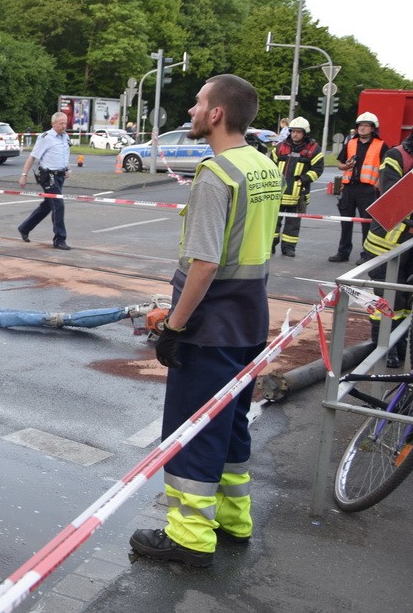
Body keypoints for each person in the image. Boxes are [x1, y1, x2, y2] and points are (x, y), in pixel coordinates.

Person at [129, 74, 282, 568]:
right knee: (233, 424)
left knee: (191, 428)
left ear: (216, 114)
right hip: (250, 320)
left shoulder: (217, 175)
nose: (192, 110)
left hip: (210, 327)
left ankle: (191, 537)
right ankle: (234, 519)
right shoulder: (264, 166)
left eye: (198, 103)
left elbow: (206, 264)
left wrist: (174, 326)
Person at [363, 130, 413, 368]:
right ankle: (383, 346)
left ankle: (400, 343)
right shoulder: (396, 156)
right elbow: (394, 197)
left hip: (409, 246)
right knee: (386, 298)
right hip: (386, 243)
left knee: (404, 298)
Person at [329, 112, 386, 263]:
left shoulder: (381, 145)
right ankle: (343, 252)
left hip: (368, 189)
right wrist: (346, 165)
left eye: (366, 125)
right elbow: (340, 165)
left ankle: (366, 254)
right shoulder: (350, 143)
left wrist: (377, 187)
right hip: (349, 188)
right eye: (360, 125)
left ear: (373, 128)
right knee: (346, 222)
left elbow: (384, 169)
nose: (362, 128)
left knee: (367, 223)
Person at [17, 111, 71, 250]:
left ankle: (24, 228)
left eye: (65, 123)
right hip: (48, 177)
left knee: (48, 205)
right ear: (53, 124)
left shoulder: (65, 137)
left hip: (60, 176)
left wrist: (67, 168)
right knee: (58, 205)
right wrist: (24, 174)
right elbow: (32, 157)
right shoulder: (45, 137)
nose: (64, 126)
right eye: (61, 123)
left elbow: (64, 155)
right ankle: (59, 239)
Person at [270, 117, 323, 257]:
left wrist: (303, 180)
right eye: (293, 131)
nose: (295, 134)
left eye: (299, 132)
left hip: (298, 193)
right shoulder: (280, 146)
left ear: (305, 133)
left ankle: (289, 248)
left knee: (293, 223)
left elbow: (318, 169)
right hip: (278, 192)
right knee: (273, 221)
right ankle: (270, 245)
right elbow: (271, 165)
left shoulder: (313, 149)